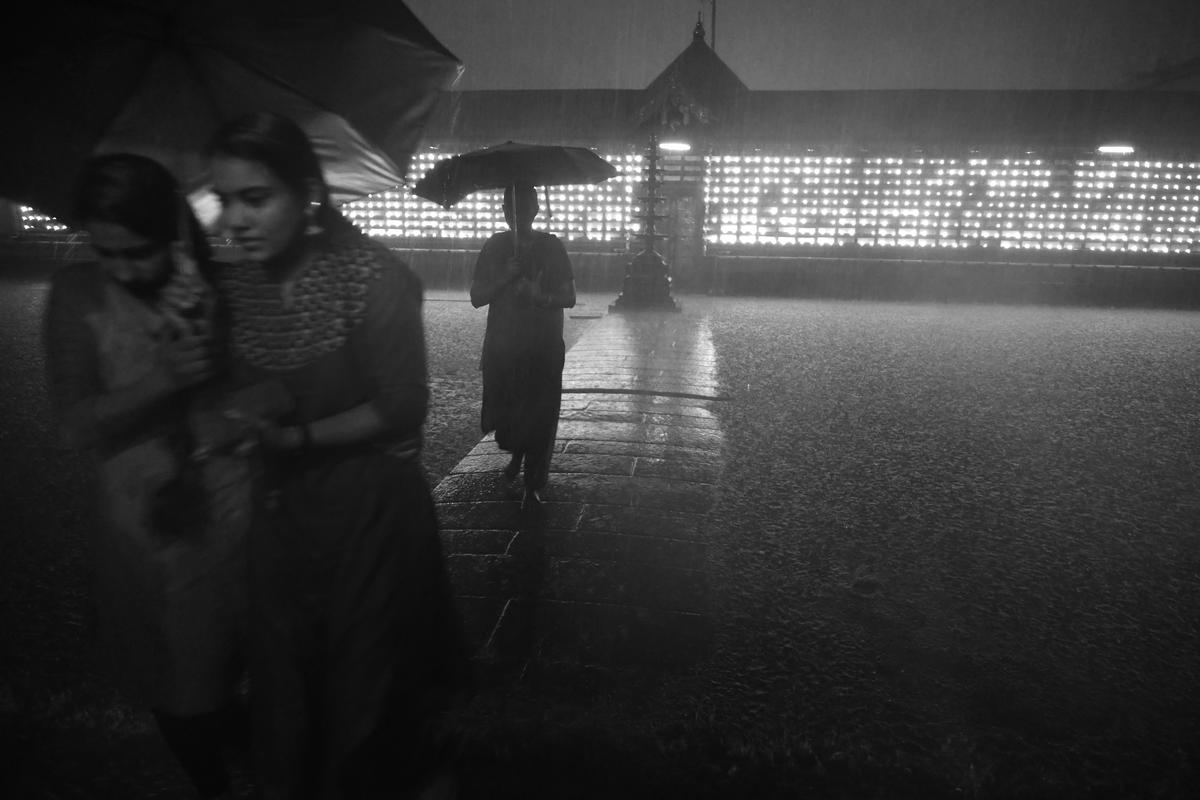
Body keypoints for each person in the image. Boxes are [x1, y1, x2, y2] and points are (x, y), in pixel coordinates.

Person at [205, 110, 473, 800]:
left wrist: (295, 438)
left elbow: (401, 405)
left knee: (366, 695)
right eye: (223, 198)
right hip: (282, 519)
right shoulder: (235, 289)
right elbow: (241, 389)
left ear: (309, 194)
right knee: (285, 692)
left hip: (368, 514)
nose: (233, 218)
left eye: (254, 198)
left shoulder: (373, 278)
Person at [42, 153, 248, 799]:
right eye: (107, 253)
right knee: (177, 681)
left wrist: (225, 377)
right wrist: (165, 378)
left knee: (248, 667)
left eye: (138, 252)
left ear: (173, 232)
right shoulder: (76, 294)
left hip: (233, 504)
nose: (124, 269)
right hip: (143, 520)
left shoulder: (223, 284)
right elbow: (76, 424)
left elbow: (272, 392)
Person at [469, 182, 576, 506]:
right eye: (508, 208)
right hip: (505, 347)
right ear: (502, 212)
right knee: (508, 413)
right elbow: (477, 297)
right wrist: (504, 277)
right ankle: (518, 453)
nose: (515, 215)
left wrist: (538, 296)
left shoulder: (551, 248)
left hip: (541, 347)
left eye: (522, 208)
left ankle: (533, 480)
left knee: (541, 413)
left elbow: (569, 297)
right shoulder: (494, 247)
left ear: (536, 210)